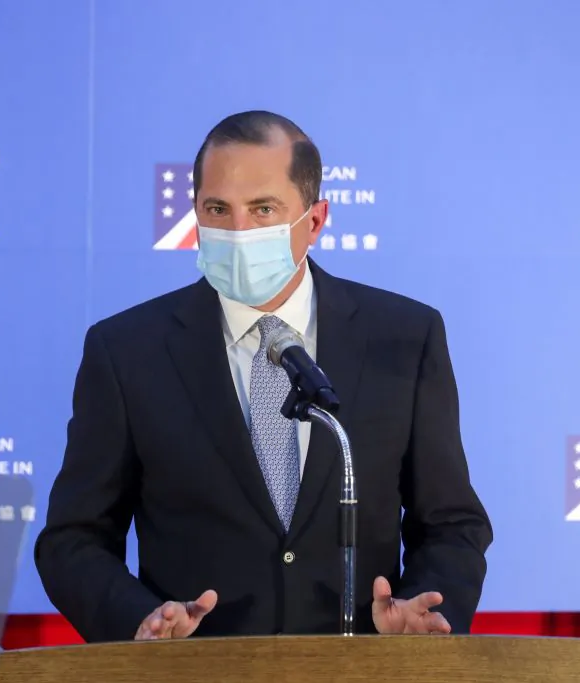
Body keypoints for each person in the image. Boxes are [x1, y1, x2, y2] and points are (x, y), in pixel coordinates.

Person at [34, 110, 493, 642]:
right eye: (217, 209)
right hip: (194, 678)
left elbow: (452, 523)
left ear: (315, 220)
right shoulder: (127, 350)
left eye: (263, 210)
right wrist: (138, 622)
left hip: (359, 673)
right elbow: (73, 540)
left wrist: (425, 611)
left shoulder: (405, 337)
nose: (238, 231)